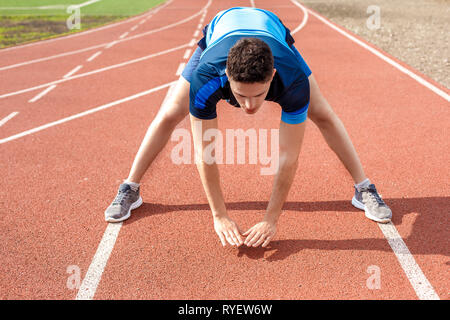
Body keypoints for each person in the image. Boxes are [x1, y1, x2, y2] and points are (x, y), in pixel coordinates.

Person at [105, 7, 392, 248]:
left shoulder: (292, 81)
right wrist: (219, 215)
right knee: (170, 113)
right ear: (227, 76)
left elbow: (288, 157)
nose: (250, 107)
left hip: (274, 32)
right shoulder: (206, 80)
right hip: (220, 31)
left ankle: (364, 188)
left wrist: (271, 219)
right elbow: (206, 153)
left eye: (259, 95)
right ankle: (130, 187)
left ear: (273, 76)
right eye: (241, 96)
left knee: (323, 114)